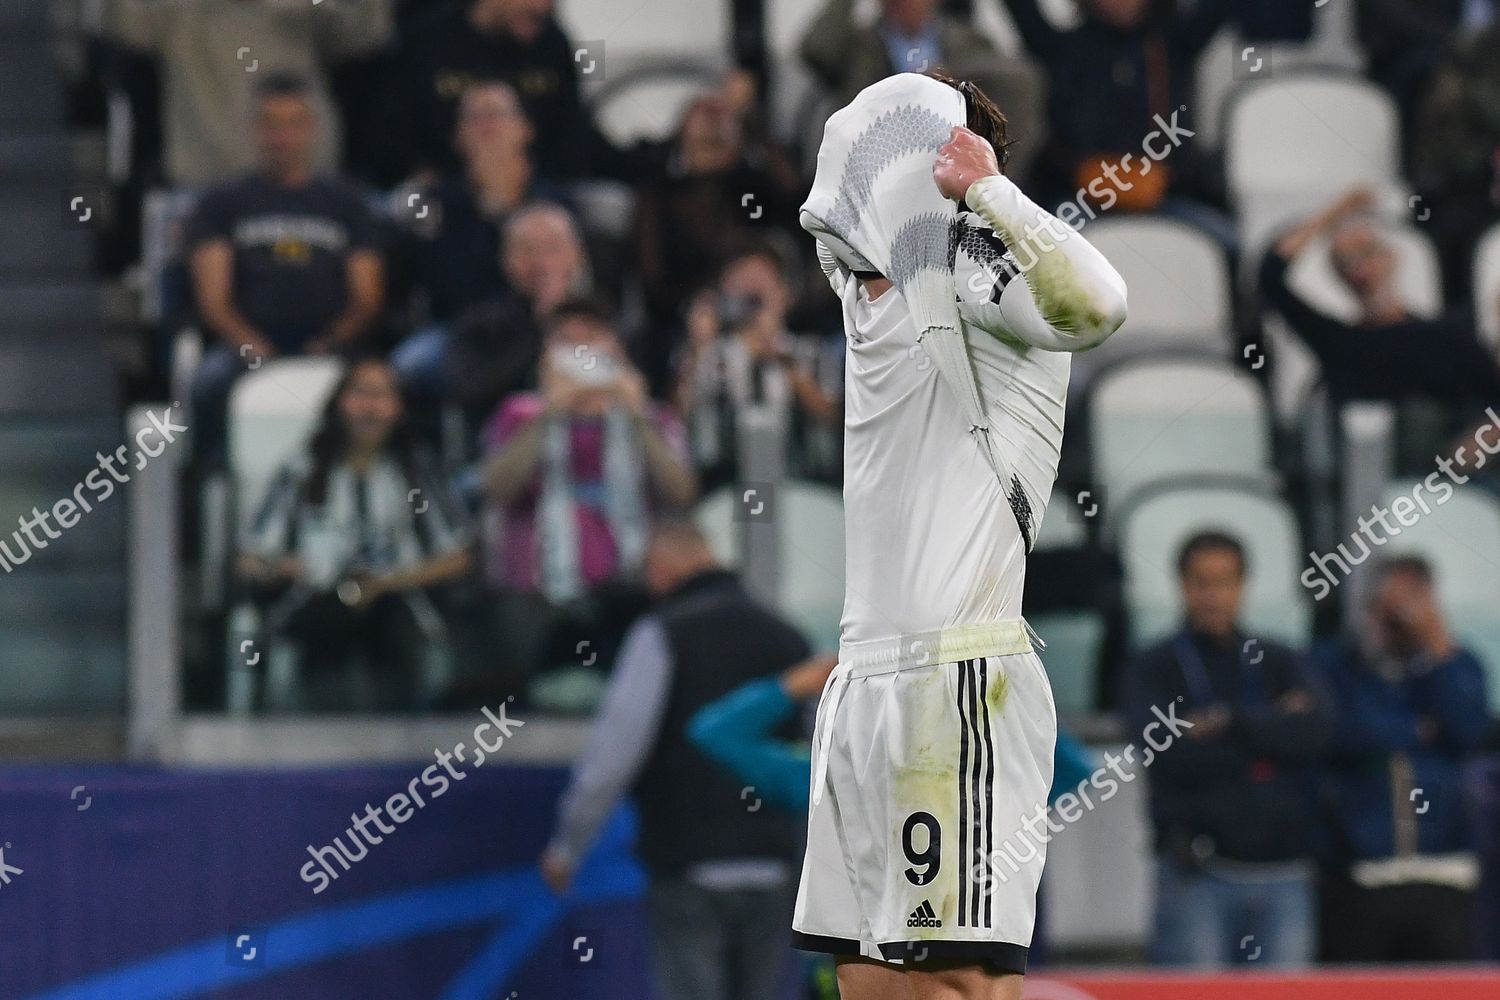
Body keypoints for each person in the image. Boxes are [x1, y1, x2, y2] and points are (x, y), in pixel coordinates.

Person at [792, 72, 1126, 1000]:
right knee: (867, 981)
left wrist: (987, 189)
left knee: (960, 982)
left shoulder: (989, 283)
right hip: (864, 677)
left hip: (959, 676)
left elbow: (1099, 305)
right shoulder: (870, 291)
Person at [540, 519, 811, 1000]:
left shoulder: (662, 632)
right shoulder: (790, 639)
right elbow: (820, 761)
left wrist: (569, 844)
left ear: (660, 571)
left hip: (688, 863)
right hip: (775, 864)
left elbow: (615, 752)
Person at [1123, 532, 1329, 968]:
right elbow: (1170, 755)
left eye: (1224, 581)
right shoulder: (1154, 666)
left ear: (1243, 585)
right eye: (1201, 581)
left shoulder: (1278, 658)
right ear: (1181, 585)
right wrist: (1271, 731)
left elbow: (1316, 736)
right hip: (1198, 875)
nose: (1212, 594)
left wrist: (1226, 723)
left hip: (1285, 873)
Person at [238, 358, 473, 711]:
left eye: (383, 395)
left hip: (400, 599)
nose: (370, 408)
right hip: (316, 600)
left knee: (394, 628)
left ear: (400, 408)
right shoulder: (301, 468)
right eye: (360, 393)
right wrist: (285, 568)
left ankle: (402, 745)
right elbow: (250, 558)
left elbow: (459, 557)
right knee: (325, 625)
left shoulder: (417, 470)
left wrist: (385, 583)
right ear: (338, 403)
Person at [479, 300, 697, 676]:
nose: (580, 353)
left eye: (591, 339)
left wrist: (636, 414)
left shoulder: (652, 415)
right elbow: (497, 487)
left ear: (617, 349)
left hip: (632, 584)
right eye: (567, 341)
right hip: (536, 586)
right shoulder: (519, 412)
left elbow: (681, 493)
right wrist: (550, 411)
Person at [186, 74, 385, 459]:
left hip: (332, 340)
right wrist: (253, 347)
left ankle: (377, 493)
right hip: (246, 344)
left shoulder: (347, 203)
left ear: (311, 128)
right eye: (271, 125)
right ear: (256, 130)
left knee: (382, 389)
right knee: (208, 385)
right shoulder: (222, 204)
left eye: (294, 123)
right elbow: (213, 299)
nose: (283, 137)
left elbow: (367, 296)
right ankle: (210, 499)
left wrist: (331, 341)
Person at [1313, 555, 1491, 963]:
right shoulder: (1337, 666)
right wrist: (1417, 729)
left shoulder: (1457, 664)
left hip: (1446, 876)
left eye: (1414, 604)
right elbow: (1341, 733)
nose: (1399, 620)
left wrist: (1437, 646)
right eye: (1390, 607)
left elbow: (1468, 729)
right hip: (1362, 878)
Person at [1259, 187, 1500, 460]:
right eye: (1344, 262)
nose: (1358, 268)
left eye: (1366, 252)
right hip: (1369, 478)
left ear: (1391, 257)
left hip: (1455, 476)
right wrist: (1336, 211)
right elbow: (1271, 275)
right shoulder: (1340, 345)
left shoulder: (1448, 336)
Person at [102, 0, 392, 186]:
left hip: (305, 186)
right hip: (206, 186)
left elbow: (366, 33)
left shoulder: (303, 12)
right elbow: (124, 22)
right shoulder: (178, 13)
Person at [631, 81, 804, 355]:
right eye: (704, 111)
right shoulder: (659, 194)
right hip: (684, 321)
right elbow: (654, 283)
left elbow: (798, 199)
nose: (715, 121)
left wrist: (750, 121)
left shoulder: (750, 187)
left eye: (723, 115)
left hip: (766, 312)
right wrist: (711, 300)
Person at [799, 0, 1048, 184]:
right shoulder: (859, 45)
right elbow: (814, 50)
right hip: (881, 166)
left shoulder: (963, 38)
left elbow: (1022, 79)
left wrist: (948, 73)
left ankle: (994, 184)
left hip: (955, 157)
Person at [374, 0, 610, 182]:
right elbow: (390, 141)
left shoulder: (552, 44)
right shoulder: (425, 44)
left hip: (538, 194)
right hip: (446, 199)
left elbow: (576, 136)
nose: (541, 7)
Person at [676, 244, 845, 491]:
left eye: (760, 287)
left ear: (785, 294)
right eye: (740, 284)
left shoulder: (810, 353)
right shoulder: (707, 354)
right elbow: (676, 420)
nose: (750, 299)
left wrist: (780, 356)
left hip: (805, 492)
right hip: (722, 493)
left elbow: (833, 418)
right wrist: (698, 347)